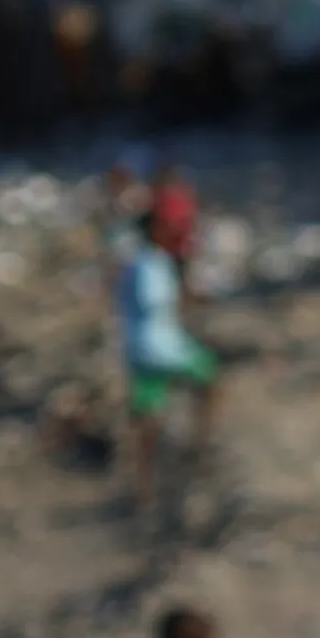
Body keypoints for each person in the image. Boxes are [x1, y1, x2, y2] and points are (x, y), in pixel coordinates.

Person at [113, 212, 219, 511]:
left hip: (138, 349)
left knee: (149, 416)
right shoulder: (151, 264)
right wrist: (191, 295)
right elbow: (155, 302)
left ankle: (144, 487)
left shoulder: (135, 263)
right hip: (160, 347)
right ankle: (199, 447)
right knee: (209, 377)